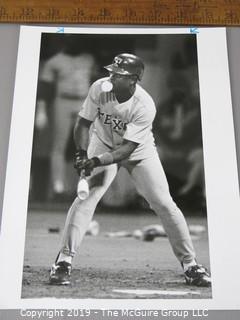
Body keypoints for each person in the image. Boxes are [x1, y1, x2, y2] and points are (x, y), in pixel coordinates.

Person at [49, 53, 211, 287]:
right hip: (101, 142)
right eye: (111, 71)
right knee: (87, 198)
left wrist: (95, 162)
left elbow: (126, 150)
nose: (111, 76)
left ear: (134, 79)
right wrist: (82, 154)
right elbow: (83, 123)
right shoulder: (99, 88)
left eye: (119, 75)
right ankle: (63, 261)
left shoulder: (145, 105)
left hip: (138, 151)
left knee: (163, 203)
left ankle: (191, 265)